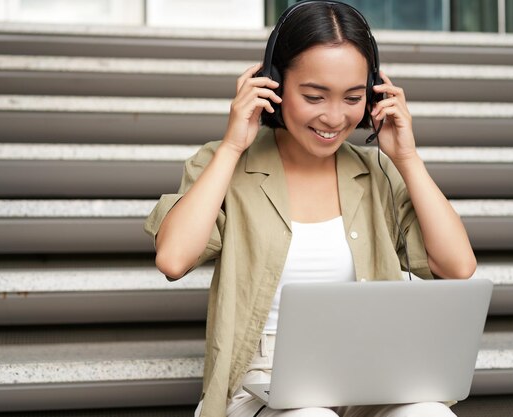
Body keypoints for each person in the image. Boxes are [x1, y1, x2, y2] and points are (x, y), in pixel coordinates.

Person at [144, 1, 477, 416]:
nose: (335, 118)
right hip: (265, 378)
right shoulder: (225, 164)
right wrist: (232, 146)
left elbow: (458, 266)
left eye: (353, 97)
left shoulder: (378, 171)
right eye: (314, 96)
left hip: (367, 373)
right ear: (275, 84)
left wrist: (407, 158)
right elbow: (173, 259)